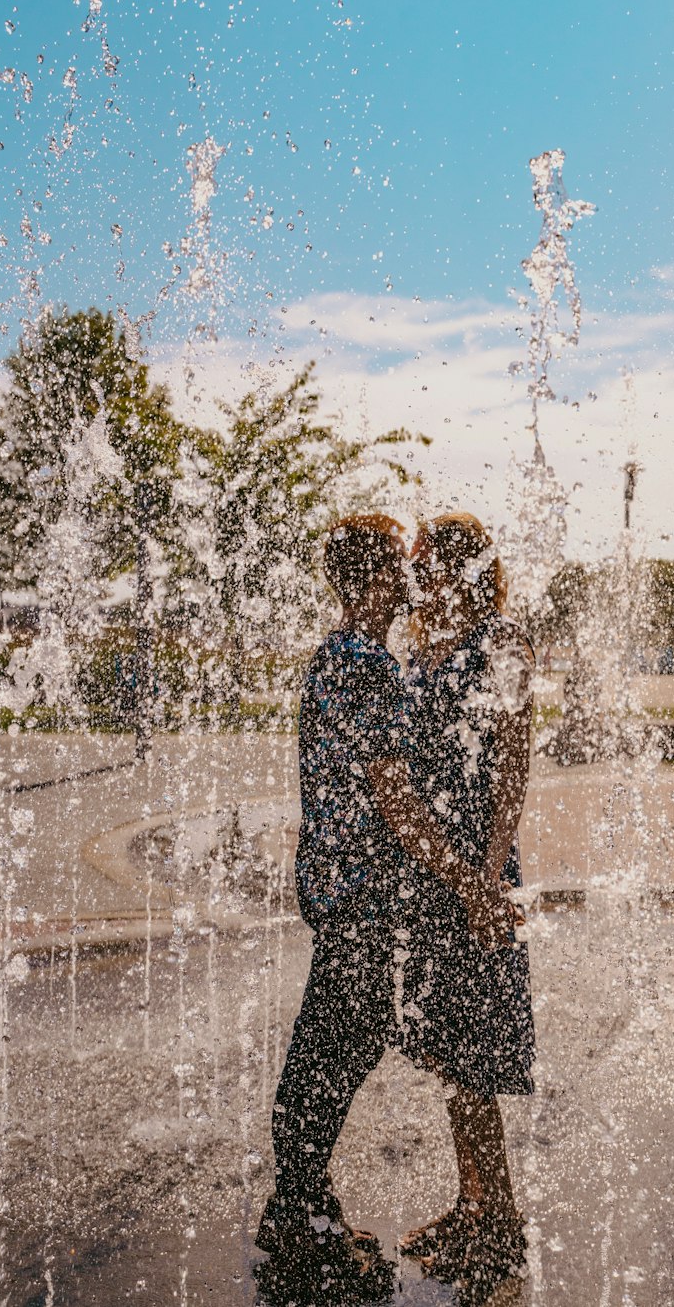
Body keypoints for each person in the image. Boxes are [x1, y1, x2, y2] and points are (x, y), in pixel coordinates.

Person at [255, 514, 512, 1304]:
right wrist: (471, 880)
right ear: (376, 580)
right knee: (333, 1047)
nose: (412, 579)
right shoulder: (361, 662)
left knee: (337, 1041)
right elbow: (395, 798)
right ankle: (299, 1224)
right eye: (400, 567)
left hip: (345, 886)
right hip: (362, 893)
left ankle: (302, 1209)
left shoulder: (347, 655)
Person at [392, 512, 536, 1301]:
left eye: (428, 559)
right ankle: (470, 1204)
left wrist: (486, 878)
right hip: (430, 874)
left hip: (475, 871)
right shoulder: (427, 642)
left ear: (461, 565)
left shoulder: (502, 641)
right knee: (447, 1047)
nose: (416, 573)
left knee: (476, 1049)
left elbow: (512, 765)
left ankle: (502, 1229)